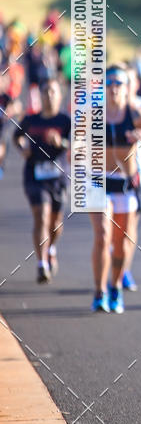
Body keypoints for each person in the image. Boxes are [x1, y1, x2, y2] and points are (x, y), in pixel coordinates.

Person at [89, 64, 141, 313]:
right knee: (102, 236)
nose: (113, 89)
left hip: (125, 183)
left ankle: (115, 287)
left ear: (127, 87)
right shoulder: (94, 113)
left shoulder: (135, 113)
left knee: (122, 244)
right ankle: (99, 292)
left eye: (118, 84)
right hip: (98, 180)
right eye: (109, 83)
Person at [13, 78, 69, 282]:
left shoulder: (66, 121)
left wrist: (61, 141)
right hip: (34, 174)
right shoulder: (31, 119)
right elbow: (16, 136)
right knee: (41, 216)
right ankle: (41, 264)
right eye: (45, 91)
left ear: (60, 95)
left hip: (58, 177)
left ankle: (51, 248)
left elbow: (77, 145)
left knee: (56, 224)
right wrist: (22, 149)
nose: (49, 95)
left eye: (53, 92)